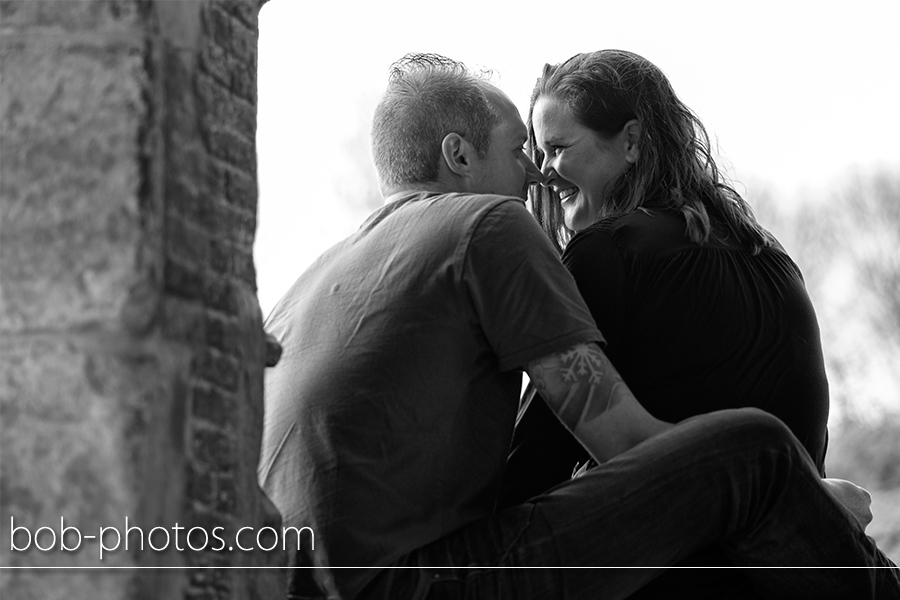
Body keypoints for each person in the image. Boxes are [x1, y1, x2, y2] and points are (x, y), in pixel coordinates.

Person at [258, 53, 898, 600]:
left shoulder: (302, 286)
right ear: (458, 155)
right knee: (757, 448)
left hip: (288, 577)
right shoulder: (488, 222)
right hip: (418, 581)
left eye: (551, 151)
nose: (536, 174)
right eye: (522, 151)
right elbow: (618, 438)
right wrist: (800, 497)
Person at [497, 48, 835, 598]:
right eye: (535, 151)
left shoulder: (607, 253)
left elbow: (532, 464)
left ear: (630, 142)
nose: (543, 171)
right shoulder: (770, 257)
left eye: (558, 148)